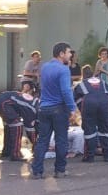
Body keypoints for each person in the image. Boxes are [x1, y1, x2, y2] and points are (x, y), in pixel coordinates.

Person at [30, 42, 78, 179]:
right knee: (61, 140)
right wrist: (73, 108)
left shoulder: (45, 67)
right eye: (69, 53)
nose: (70, 55)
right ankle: (60, 170)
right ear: (61, 54)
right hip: (59, 108)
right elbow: (66, 91)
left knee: (43, 140)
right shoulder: (63, 70)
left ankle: (37, 170)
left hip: (44, 107)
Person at [75, 66, 108, 162]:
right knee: (105, 130)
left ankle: (90, 156)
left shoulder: (81, 84)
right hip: (105, 104)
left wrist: (82, 111)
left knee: (90, 131)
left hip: (89, 105)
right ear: (92, 74)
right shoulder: (103, 83)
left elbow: (75, 99)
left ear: (82, 75)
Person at [0, 79, 39, 161]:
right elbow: (30, 130)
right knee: (17, 126)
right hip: (5, 103)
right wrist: (36, 144)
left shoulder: (34, 102)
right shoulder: (32, 109)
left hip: (2, 100)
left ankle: (7, 151)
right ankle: (15, 154)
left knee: (9, 126)